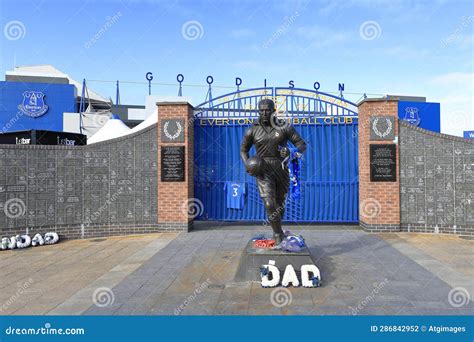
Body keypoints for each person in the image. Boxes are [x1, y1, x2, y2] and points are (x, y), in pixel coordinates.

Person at [240, 99, 306, 244]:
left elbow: (302, 145)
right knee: (269, 204)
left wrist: (291, 151)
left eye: (267, 110)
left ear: (273, 110)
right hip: (263, 169)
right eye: (261, 110)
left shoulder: (284, 127)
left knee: (279, 206)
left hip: (281, 168)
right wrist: (248, 165)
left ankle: (278, 229)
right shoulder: (252, 130)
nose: (264, 113)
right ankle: (278, 235)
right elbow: (243, 150)